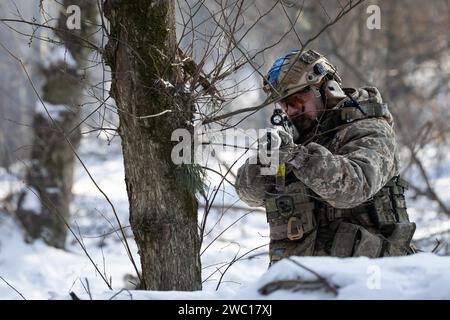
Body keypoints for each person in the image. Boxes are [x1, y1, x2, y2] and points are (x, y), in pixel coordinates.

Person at [235, 49, 416, 265]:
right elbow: (250, 195)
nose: (290, 109)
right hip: (301, 281)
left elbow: (354, 187)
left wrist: (299, 157)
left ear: (327, 88)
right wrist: (263, 161)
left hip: (367, 278)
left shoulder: (370, 130)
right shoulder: (295, 140)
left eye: (296, 98)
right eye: (283, 103)